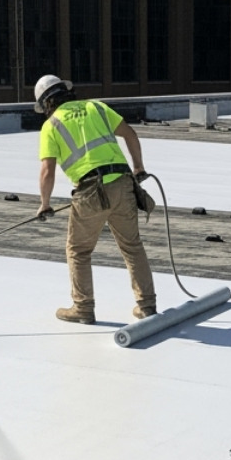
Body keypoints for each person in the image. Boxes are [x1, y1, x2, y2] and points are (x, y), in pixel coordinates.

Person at [32, 74, 157, 324]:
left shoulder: (51, 125)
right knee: (132, 246)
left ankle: (83, 308)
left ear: (46, 103)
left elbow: (47, 171)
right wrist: (139, 168)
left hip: (89, 191)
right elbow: (130, 134)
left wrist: (45, 205)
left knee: (78, 250)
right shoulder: (95, 106)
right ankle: (147, 306)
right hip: (123, 184)